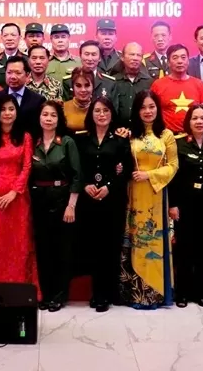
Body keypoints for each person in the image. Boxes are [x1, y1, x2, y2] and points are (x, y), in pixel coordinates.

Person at [119, 90, 179, 309]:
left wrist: (149, 175)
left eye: (151, 106)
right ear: (136, 110)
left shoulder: (166, 135)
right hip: (132, 194)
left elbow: (173, 165)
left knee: (153, 241)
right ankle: (133, 294)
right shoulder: (129, 134)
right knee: (134, 239)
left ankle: (154, 293)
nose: (147, 111)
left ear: (157, 109)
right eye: (143, 107)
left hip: (156, 194)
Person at [76, 97, 131, 312]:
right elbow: (77, 168)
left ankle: (111, 292)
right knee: (94, 246)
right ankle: (98, 293)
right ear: (91, 114)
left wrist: (109, 186)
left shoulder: (120, 140)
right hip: (89, 200)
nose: (101, 114)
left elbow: (126, 171)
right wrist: (85, 185)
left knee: (111, 245)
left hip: (112, 200)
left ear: (111, 114)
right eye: (97, 110)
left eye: (106, 111)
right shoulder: (81, 139)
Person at [29, 101, 82, 312]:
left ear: (59, 119)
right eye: (45, 114)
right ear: (39, 118)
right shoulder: (33, 143)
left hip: (62, 199)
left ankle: (59, 295)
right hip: (38, 200)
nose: (48, 119)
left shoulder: (67, 142)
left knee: (62, 250)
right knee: (43, 250)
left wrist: (71, 205)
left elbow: (77, 176)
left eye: (53, 115)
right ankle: (46, 294)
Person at [0, 94, 36, 287]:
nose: (7, 113)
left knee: (19, 243)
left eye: (11, 109)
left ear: (17, 112)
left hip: (18, 197)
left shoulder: (25, 137)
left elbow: (27, 167)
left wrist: (14, 192)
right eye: (3, 109)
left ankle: (20, 287)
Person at [171, 104, 203, 308]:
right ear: (188, 122)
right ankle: (182, 293)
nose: (199, 122)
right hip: (185, 203)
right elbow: (173, 177)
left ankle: (200, 293)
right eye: (195, 118)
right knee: (184, 248)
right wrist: (173, 204)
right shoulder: (178, 144)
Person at [151, 44, 203, 134]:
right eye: (175, 58)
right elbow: (152, 113)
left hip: (193, 136)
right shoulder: (158, 85)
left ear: (188, 61)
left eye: (183, 57)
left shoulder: (199, 84)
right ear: (168, 62)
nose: (180, 61)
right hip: (168, 136)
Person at [0, 56, 45, 133]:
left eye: (18, 73)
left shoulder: (37, 100)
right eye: (9, 72)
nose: (13, 77)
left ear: (27, 75)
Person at [112, 42, 153, 123]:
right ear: (122, 57)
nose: (135, 58)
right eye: (132, 54)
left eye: (138, 55)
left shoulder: (149, 82)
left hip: (142, 128)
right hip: (118, 129)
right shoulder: (113, 81)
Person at [0, 22, 26, 86]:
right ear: (1, 38)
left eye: (13, 35)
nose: (9, 38)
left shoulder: (27, 59)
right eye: (5, 35)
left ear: (20, 37)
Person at [63, 67, 95, 134]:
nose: (83, 90)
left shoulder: (99, 109)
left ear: (93, 86)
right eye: (78, 86)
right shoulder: (63, 109)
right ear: (73, 87)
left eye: (87, 85)